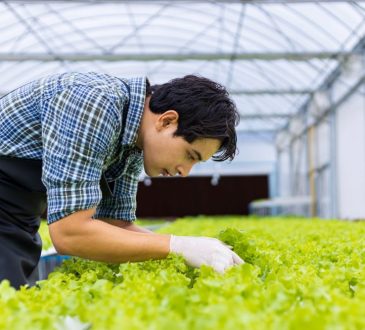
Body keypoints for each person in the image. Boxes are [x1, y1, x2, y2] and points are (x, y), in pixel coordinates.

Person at [0, 72, 243, 289]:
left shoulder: (135, 140)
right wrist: (176, 246)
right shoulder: (94, 104)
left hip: (19, 214)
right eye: (190, 155)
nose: (185, 171)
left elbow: (116, 224)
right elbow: (69, 233)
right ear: (167, 121)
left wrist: (194, 249)